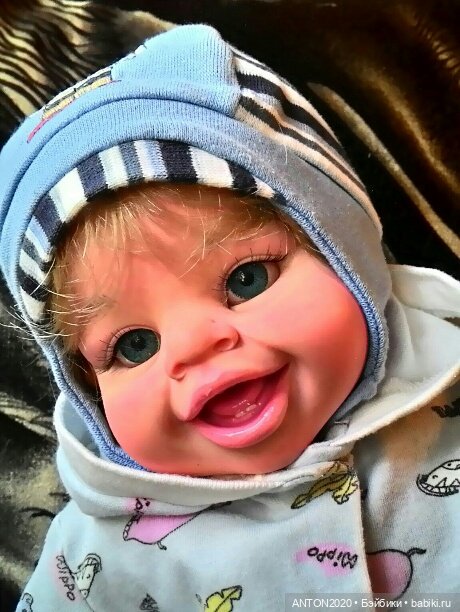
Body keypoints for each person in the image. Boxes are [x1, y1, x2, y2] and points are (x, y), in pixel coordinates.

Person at [0, 24, 459, 612]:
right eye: (135, 345)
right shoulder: (93, 560)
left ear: (346, 254)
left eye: (247, 280)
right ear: (89, 388)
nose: (194, 345)